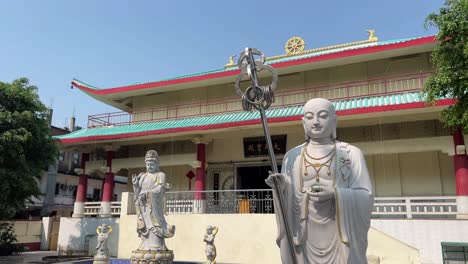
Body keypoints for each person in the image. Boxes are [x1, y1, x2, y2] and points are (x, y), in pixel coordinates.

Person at [266, 98, 374, 264]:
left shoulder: (351, 153)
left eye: (322, 116)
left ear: (334, 120)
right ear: (303, 123)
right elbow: (289, 196)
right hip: (303, 233)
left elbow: (366, 195)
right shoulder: (292, 156)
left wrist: (334, 194)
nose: (315, 122)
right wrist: (281, 187)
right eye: (309, 117)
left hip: (338, 233)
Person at [132, 150, 175, 251]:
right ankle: (144, 243)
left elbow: (160, 189)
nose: (149, 167)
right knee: (144, 226)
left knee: (155, 225)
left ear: (156, 165)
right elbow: (137, 193)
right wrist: (135, 185)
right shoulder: (142, 176)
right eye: (147, 164)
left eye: (152, 164)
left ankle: (157, 244)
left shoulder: (160, 175)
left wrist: (147, 194)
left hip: (154, 207)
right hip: (143, 207)